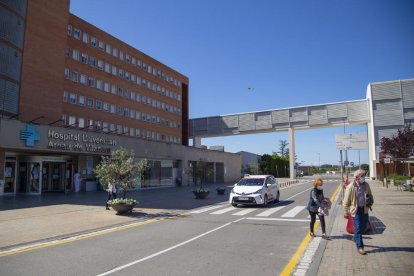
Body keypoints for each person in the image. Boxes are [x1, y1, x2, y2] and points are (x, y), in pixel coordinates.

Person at [343, 169, 374, 255]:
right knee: (358, 229)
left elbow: (370, 194)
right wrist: (345, 212)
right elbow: (345, 201)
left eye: (364, 176)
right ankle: (360, 247)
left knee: (363, 227)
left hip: (364, 209)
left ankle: (355, 238)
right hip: (355, 210)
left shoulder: (366, 185)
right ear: (356, 178)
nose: (363, 177)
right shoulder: (351, 187)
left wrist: (370, 201)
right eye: (362, 176)